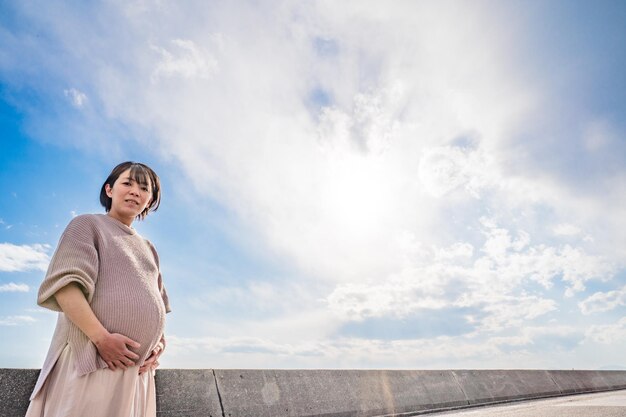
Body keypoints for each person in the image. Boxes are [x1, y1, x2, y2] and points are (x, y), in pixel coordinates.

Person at [26, 161, 171, 417]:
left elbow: (157, 304)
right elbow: (66, 287)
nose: (135, 191)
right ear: (109, 190)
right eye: (127, 183)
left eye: (144, 188)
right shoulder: (87, 225)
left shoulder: (149, 248)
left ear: (149, 200)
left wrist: (158, 346)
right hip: (93, 360)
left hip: (136, 372)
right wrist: (102, 339)